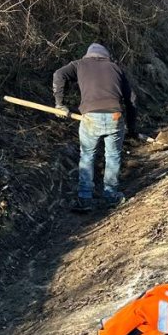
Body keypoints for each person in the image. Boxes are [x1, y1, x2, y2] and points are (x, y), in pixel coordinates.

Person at [53, 43, 138, 211]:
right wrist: (132, 128)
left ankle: (85, 198)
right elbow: (132, 99)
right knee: (113, 156)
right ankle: (111, 195)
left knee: (87, 156)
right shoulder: (115, 68)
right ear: (106, 56)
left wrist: (59, 104)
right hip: (115, 116)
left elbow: (58, 74)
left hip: (90, 116)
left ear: (88, 55)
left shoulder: (79, 64)